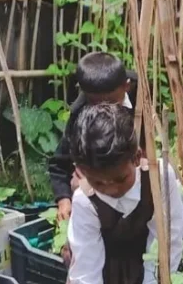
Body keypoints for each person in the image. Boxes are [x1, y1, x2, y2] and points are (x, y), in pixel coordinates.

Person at [62, 103, 183, 284]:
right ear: (81, 172)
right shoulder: (84, 202)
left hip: (154, 264)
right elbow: (88, 274)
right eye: (98, 182)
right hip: (108, 272)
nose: (111, 189)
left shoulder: (159, 178)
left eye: (119, 179)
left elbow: (167, 241)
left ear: (137, 157)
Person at [47, 52, 140, 223]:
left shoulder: (142, 95)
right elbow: (59, 164)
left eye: (112, 102)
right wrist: (64, 200)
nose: (104, 110)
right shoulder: (79, 115)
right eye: (95, 104)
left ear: (127, 87)